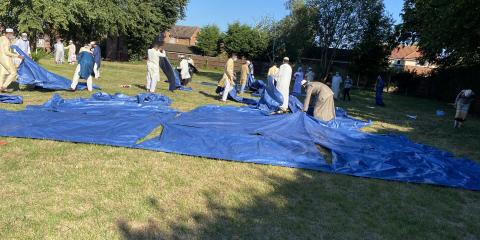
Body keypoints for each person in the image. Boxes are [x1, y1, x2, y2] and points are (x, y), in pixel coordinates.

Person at [0, 28, 22, 92]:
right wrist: (18, 56)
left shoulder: (1, 38)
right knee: (13, 73)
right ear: (9, 33)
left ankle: (0, 87)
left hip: (1, 59)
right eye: (12, 34)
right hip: (6, 58)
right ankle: (4, 86)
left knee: (2, 73)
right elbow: (6, 52)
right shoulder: (6, 41)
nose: (12, 35)